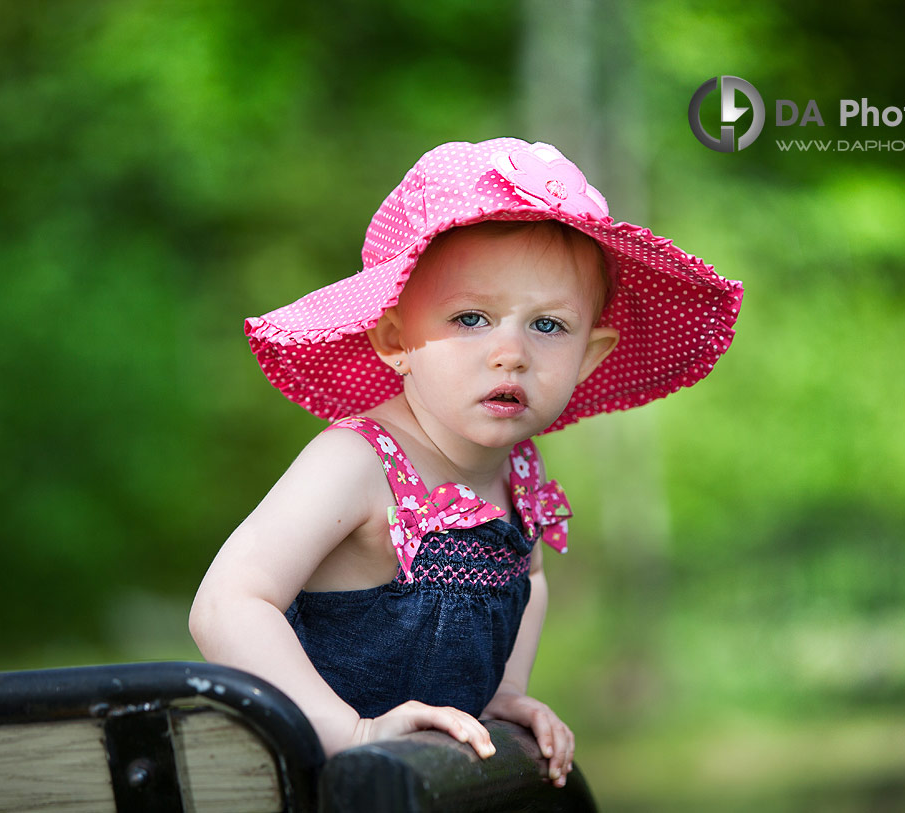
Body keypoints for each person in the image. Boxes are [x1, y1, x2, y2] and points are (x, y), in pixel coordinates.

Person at [189, 138, 743, 788]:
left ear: (589, 357)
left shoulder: (518, 472)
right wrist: (351, 732)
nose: (510, 352)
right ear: (395, 339)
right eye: (472, 317)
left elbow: (527, 575)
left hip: (429, 786)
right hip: (308, 782)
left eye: (548, 326)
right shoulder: (359, 462)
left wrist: (504, 692)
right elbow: (228, 602)